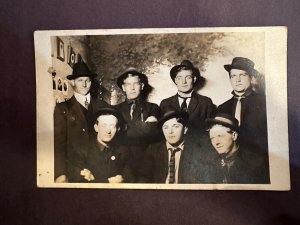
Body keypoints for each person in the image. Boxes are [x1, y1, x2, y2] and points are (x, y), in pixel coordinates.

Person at [54, 62, 108, 182]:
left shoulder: (103, 105)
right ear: (72, 82)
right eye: (80, 80)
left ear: (91, 82)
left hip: (101, 168)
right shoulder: (62, 108)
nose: (84, 84)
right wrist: (60, 172)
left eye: (87, 80)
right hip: (74, 170)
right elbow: (59, 143)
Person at [139, 110, 212, 184]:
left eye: (176, 126)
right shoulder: (153, 149)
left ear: (185, 130)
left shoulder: (196, 150)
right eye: (166, 127)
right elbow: (144, 178)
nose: (170, 131)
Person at [116, 68, 161, 179]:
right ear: (123, 87)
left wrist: (124, 128)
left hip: (147, 161)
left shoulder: (153, 108)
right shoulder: (115, 110)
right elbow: (114, 135)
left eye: (136, 84)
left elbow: (154, 132)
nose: (132, 88)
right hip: (121, 162)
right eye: (128, 84)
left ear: (142, 86)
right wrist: (143, 127)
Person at [217, 57, 268, 154]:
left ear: (251, 77)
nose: (237, 80)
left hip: (258, 161)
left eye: (242, 75)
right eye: (233, 76)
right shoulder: (222, 108)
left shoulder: (264, 102)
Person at [71, 108, 134, 183]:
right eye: (104, 126)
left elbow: (130, 179)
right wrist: (108, 182)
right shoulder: (81, 151)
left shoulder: (124, 151)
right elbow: (78, 182)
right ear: (96, 128)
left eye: (112, 126)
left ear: (118, 129)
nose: (108, 131)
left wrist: (94, 179)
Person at [206, 113, 270, 184]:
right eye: (212, 138)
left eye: (220, 136)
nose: (216, 142)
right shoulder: (210, 164)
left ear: (234, 136)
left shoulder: (255, 163)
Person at [160, 60, 215, 131]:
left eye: (188, 77)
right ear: (175, 80)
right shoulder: (165, 104)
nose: (184, 82)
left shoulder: (205, 103)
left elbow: (210, 130)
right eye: (180, 78)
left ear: (194, 79)